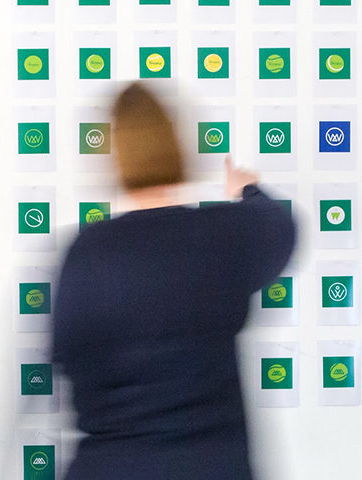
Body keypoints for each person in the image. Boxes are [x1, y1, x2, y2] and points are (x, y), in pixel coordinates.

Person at [52, 83, 296, 480]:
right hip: (213, 467)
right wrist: (246, 189)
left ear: (116, 157)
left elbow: (66, 357)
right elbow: (280, 226)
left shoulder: (86, 251)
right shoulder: (224, 235)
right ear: (178, 148)